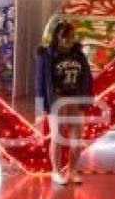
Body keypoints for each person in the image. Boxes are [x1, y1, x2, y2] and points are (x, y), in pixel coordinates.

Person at [35, 21, 93, 186]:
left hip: (75, 97)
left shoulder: (78, 55)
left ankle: (72, 170)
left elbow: (87, 78)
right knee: (57, 137)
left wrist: (87, 99)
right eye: (66, 36)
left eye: (72, 36)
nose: (69, 40)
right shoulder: (47, 56)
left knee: (76, 138)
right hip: (57, 99)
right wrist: (40, 109)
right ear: (57, 37)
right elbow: (40, 83)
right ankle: (56, 171)